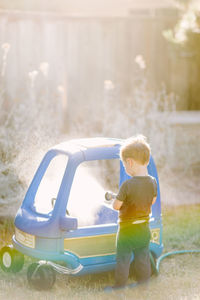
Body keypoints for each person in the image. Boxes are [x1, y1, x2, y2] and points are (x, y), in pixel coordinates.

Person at [111, 135, 157, 289]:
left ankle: (119, 287)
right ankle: (144, 285)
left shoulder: (127, 185)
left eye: (124, 165)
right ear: (147, 160)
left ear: (129, 162)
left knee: (123, 259)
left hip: (126, 231)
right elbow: (152, 201)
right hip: (144, 228)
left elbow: (116, 206)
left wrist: (116, 201)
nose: (125, 167)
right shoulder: (152, 182)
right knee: (142, 258)